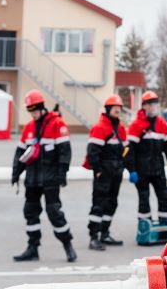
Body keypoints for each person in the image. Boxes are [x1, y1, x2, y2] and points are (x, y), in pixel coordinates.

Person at [11, 90, 76, 262]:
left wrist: (62, 173)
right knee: (30, 212)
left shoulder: (57, 124)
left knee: (54, 212)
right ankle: (33, 248)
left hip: (50, 179)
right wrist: (15, 174)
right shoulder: (29, 128)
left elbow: (65, 152)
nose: (32, 114)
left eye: (34, 110)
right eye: (29, 110)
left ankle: (68, 245)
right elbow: (20, 153)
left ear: (41, 107)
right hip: (32, 179)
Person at [126, 91, 167, 233]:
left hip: (158, 170)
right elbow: (129, 150)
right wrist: (131, 170)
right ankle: (144, 227)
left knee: (163, 197)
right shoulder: (136, 125)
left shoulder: (162, 124)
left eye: (155, 104)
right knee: (144, 199)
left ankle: (165, 225)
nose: (154, 107)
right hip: (141, 171)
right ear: (144, 106)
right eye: (151, 104)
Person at [84, 94, 128, 251]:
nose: (118, 110)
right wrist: (98, 171)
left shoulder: (121, 128)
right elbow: (92, 152)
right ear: (108, 109)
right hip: (103, 173)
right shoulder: (99, 128)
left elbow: (126, 150)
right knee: (99, 204)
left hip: (116, 173)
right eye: (115, 108)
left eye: (119, 108)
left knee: (112, 203)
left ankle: (104, 233)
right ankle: (93, 237)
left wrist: (124, 165)